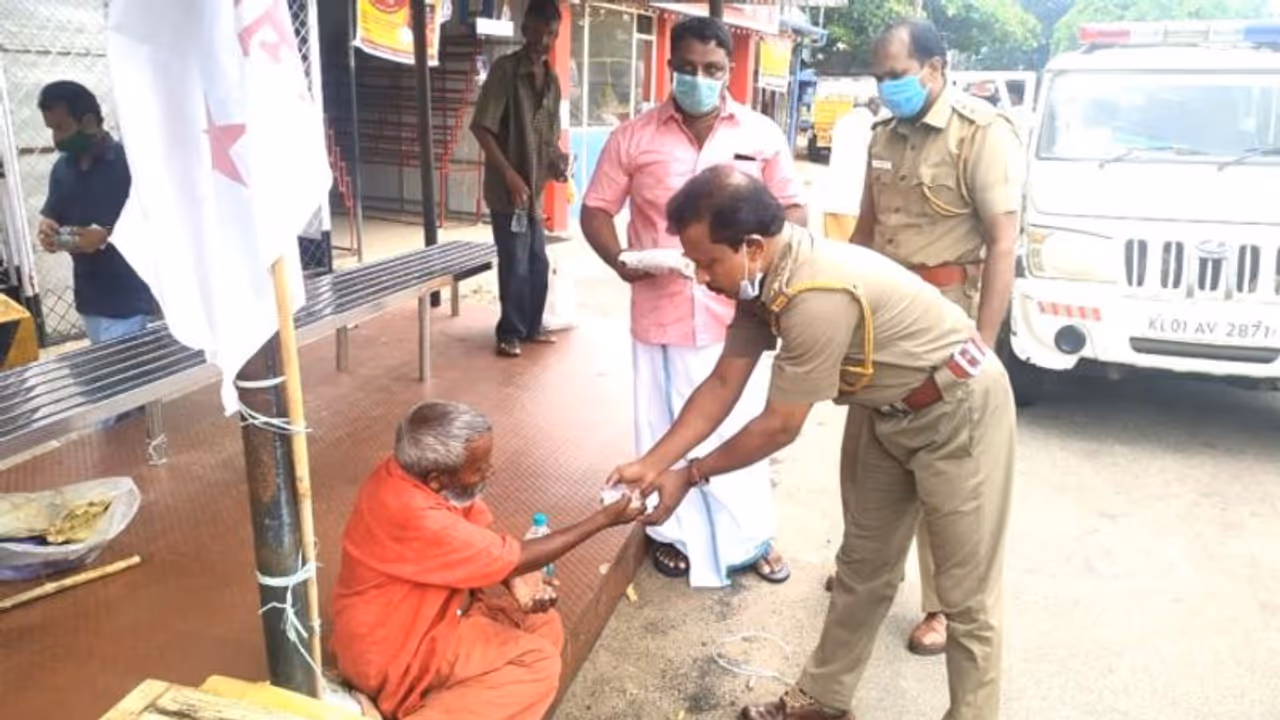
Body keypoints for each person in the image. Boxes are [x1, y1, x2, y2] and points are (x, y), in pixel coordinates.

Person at [609, 166, 1015, 720]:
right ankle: (824, 701)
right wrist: (654, 463)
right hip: (883, 407)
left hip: (958, 408)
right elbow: (724, 382)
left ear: (752, 245)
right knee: (862, 568)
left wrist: (692, 472)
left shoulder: (813, 293)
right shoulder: (759, 280)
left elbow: (779, 424)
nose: (701, 277)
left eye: (708, 262)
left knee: (965, 594)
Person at [580, 16, 806, 587]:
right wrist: (620, 261)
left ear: (729, 70)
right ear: (670, 66)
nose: (698, 78)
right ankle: (670, 533)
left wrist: (766, 276)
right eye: (687, 68)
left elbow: (793, 214)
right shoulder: (633, 136)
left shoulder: (760, 135)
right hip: (661, 310)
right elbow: (595, 209)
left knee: (742, 422)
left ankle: (749, 536)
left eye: (711, 69)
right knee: (661, 422)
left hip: (739, 314)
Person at [832, 19, 1024, 657]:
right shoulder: (881, 135)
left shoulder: (981, 134)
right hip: (881, 319)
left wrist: (984, 350)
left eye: (896, 75)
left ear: (935, 69)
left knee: (944, 475)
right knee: (865, 457)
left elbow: (1002, 244)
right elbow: (864, 231)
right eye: (879, 77)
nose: (886, 87)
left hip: (946, 322)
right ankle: (865, 569)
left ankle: (940, 605)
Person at [331, 400, 644, 720]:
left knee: (542, 624)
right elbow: (511, 555)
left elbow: (481, 540)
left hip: (443, 617)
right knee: (537, 664)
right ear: (438, 477)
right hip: (396, 650)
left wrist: (516, 581)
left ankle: (440, 706)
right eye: (479, 469)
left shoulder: (420, 476)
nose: (489, 472)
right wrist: (604, 519)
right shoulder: (410, 510)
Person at [471, 0, 570, 358]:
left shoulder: (553, 79)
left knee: (537, 261)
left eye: (552, 33)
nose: (543, 40)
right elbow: (481, 128)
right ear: (524, 27)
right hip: (508, 189)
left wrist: (558, 162)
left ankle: (531, 325)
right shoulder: (504, 71)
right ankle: (509, 332)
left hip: (533, 190)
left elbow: (548, 136)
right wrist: (510, 176)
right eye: (538, 30)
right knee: (514, 261)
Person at [37, 80, 154, 344]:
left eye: (62, 127)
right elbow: (52, 212)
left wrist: (104, 236)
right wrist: (47, 228)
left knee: (127, 377)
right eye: (51, 129)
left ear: (88, 121)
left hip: (130, 296)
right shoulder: (62, 170)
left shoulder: (130, 163)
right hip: (90, 299)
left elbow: (159, 221)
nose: (56, 138)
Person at [822, 96, 880, 242]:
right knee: (852, 255)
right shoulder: (872, 126)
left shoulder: (842, 121)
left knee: (834, 251)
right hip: (855, 201)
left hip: (833, 198)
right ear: (875, 108)